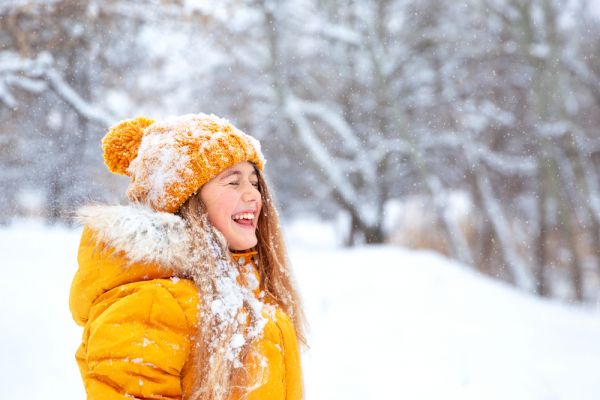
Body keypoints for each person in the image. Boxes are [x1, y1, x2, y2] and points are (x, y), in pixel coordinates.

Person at [69, 113, 305, 400]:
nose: (254, 195)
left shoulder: (247, 286)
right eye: (233, 182)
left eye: (254, 182)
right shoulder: (153, 302)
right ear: (187, 200)